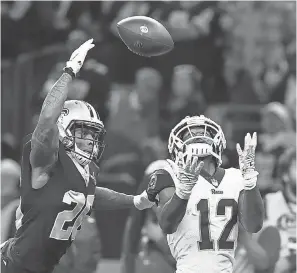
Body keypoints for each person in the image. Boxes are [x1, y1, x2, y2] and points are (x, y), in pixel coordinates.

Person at [0, 39, 155, 273]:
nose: (90, 141)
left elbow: (91, 194)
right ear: (62, 129)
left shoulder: (86, 170)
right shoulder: (47, 159)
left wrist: (133, 200)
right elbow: (45, 123)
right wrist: (69, 72)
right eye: (83, 133)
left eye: (94, 135)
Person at [143, 115, 265, 273]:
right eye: (190, 135)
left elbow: (253, 225)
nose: (197, 137)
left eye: (203, 133)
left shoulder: (235, 177)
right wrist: (183, 191)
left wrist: (250, 182)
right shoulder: (170, 176)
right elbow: (167, 225)